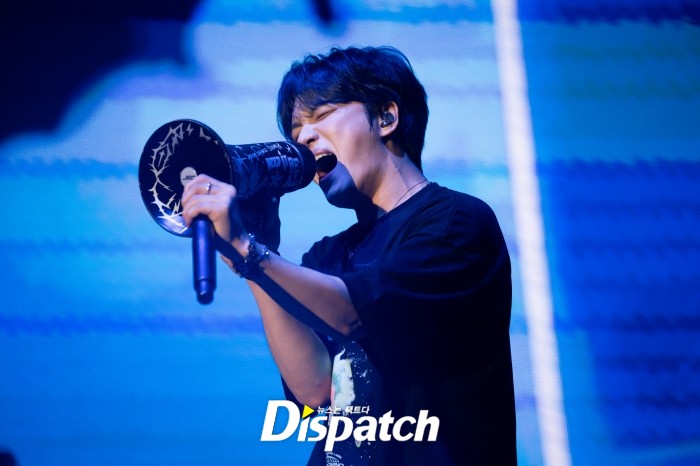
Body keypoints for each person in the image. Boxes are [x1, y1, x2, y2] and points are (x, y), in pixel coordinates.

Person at [181, 45, 516, 466]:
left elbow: (352, 314)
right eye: (296, 131)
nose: (303, 139)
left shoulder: (456, 222)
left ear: (386, 117)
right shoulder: (327, 255)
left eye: (321, 116)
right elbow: (314, 390)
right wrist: (256, 256)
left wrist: (250, 253)